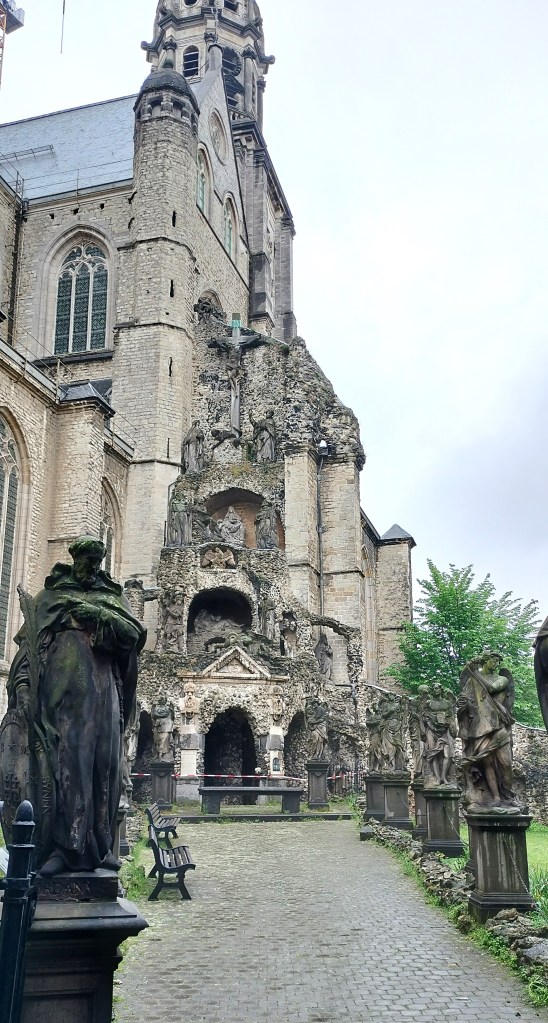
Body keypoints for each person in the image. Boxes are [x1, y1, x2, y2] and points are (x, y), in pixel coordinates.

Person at [0, 536, 146, 875]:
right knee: (67, 768)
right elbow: (28, 651)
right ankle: (63, 849)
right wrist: (23, 688)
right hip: (60, 703)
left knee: (104, 769)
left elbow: (133, 637)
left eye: (97, 561)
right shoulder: (50, 598)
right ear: (74, 560)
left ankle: (99, 847)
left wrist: (99, 615)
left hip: (104, 699)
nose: (91, 568)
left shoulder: (111, 598)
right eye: (86, 561)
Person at [457, 650, 521, 812]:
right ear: (485, 661)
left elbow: (492, 688)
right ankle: (495, 797)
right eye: (493, 659)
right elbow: (465, 700)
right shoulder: (472, 682)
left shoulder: (502, 679)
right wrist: (463, 705)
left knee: (506, 763)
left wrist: (474, 672)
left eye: (498, 660)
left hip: (499, 725)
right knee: (488, 764)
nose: (496, 663)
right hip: (481, 727)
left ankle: (508, 796)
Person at [420, 683, 457, 786]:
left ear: (441, 690)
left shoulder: (447, 703)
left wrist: (448, 722)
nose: (435, 690)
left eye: (437, 688)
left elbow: (452, 717)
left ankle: (444, 777)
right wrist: (429, 720)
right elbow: (423, 717)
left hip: (445, 730)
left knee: (447, 755)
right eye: (434, 688)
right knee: (433, 753)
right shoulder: (429, 703)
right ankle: (437, 778)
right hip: (431, 730)